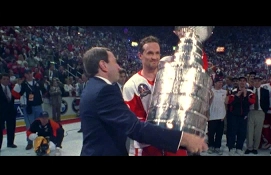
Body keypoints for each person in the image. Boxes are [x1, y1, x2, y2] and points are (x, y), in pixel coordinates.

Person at [80, 47, 208, 156]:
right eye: (115, 62)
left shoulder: (93, 87)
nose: (119, 67)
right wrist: (184, 139)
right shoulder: (104, 91)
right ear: (103, 65)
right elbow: (135, 128)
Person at [245, 75, 270, 155]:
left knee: (258, 131)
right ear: (253, 82)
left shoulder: (265, 91)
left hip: (260, 112)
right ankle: (249, 147)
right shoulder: (249, 90)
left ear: (261, 82)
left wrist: (263, 111)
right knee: (250, 130)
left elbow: (267, 103)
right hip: (251, 112)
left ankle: (255, 147)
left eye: (258, 81)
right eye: (255, 81)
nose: (257, 82)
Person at [0, 73, 17, 151]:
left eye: (7, 79)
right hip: (1, 112)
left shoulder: (10, 87)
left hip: (10, 111)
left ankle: (10, 142)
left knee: (11, 127)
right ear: (0, 79)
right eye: (4, 79)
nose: (6, 80)